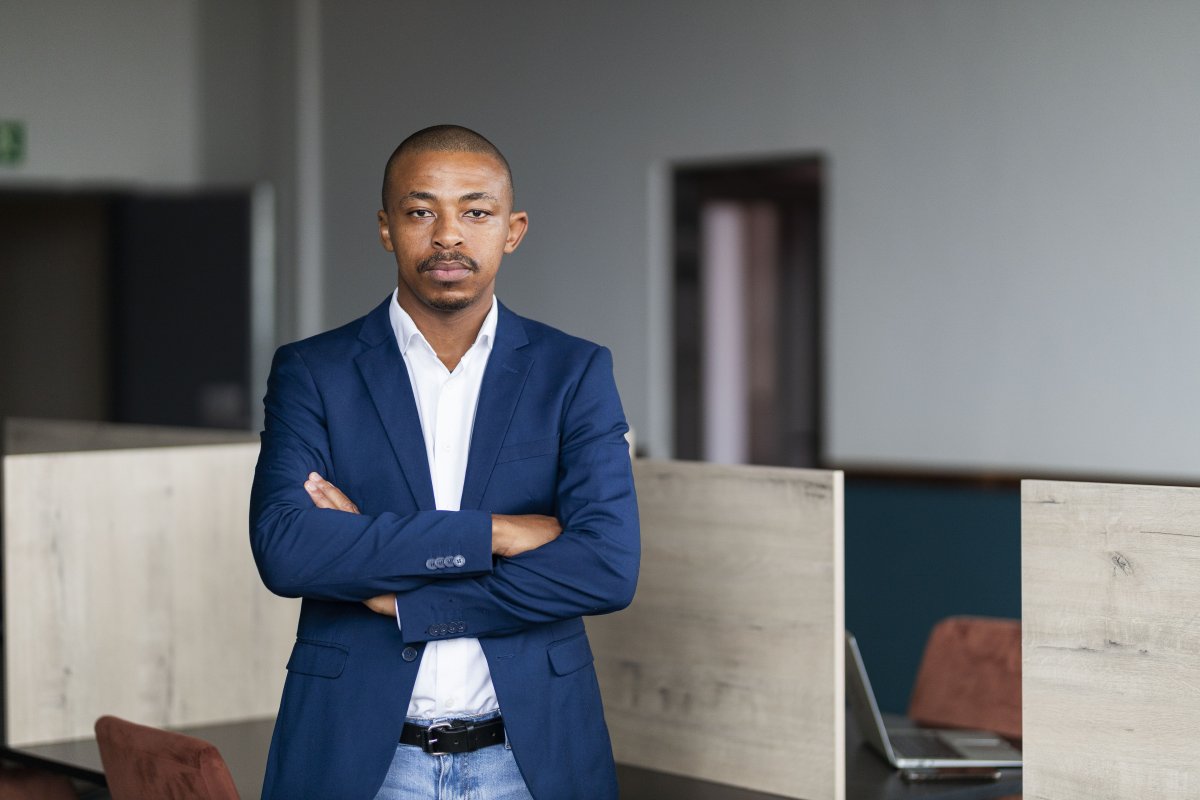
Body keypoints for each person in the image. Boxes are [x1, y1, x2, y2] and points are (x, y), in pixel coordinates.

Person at [249, 124, 640, 800]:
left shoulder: (573, 372)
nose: (448, 235)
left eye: (476, 211)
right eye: (421, 210)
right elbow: (288, 550)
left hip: (532, 757)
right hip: (358, 756)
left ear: (512, 229)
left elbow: (606, 568)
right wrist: (496, 532)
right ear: (385, 227)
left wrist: (404, 602)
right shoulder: (314, 372)